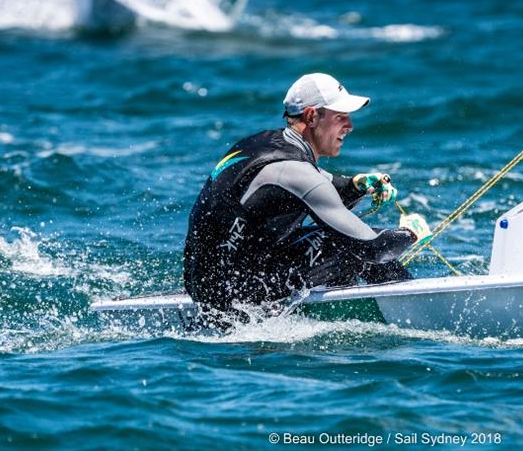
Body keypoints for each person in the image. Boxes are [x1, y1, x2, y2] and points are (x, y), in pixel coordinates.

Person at [183, 73, 431, 313]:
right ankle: (416, 311)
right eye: (341, 117)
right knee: (350, 245)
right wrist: (411, 233)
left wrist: (357, 184)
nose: (350, 126)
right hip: (232, 297)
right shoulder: (294, 171)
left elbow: (323, 190)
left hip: (209, 282)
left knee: (334, 237)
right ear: (312, 116)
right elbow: (373, 248)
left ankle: (354, 304)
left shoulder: (267, 145)